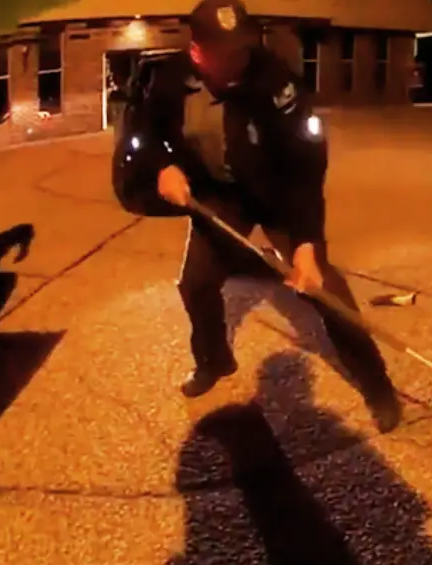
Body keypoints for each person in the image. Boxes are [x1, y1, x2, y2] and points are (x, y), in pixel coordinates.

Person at [115, 0, 402, 433]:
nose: (238, 59)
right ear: (197, 52)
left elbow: (306, 167)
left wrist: (305, 244)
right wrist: (161, 166)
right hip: (221, 194)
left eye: (242, 47)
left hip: (277, 194)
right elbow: (144, 129)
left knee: (328, 292)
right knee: (195, 284)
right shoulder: (171, 79)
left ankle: (379, 387)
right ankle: (213, 361)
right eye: (225, 52)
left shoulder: (276, 81)